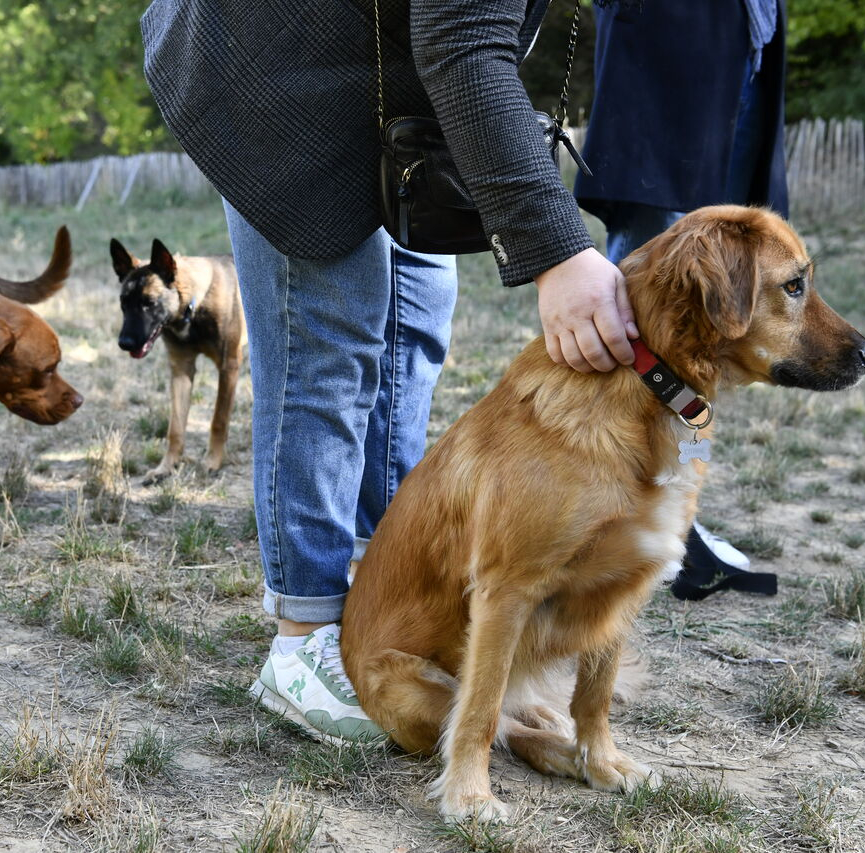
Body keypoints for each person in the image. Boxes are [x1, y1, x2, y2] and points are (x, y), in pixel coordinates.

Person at [141, 0, 635, 742]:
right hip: (271, 66)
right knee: (327, 333)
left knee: (417, 308)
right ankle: (302, 636)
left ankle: (385, 586)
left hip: (383, 82)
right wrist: (557, 253)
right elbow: (462, 37)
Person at [574, 0, 790, 599]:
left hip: (745, 40)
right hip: (668, 37)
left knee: (710, 326)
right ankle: (615, 507)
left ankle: (671, 510)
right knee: (658, 298)